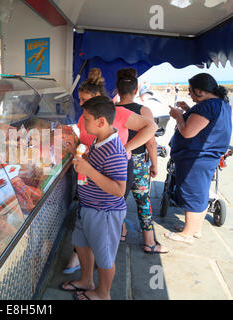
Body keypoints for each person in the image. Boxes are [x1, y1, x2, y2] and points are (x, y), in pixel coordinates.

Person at [61, 68, 157, 275]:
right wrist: (72, 142)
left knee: (107, 214)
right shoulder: (85, 117)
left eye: (84, 99)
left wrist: (126, 149)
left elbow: (151, 127)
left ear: (97, 98)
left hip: (114, 168)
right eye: (79, 99)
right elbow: (86, 143)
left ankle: (100, 260)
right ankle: (86, 256)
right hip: (90, 169)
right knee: (87, 215)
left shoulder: (119, 113)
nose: (81, 104)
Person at [67, 95, 128, 300]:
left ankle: (103, 293)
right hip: (89, 207)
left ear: (101, 122)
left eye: (86, 119)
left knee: (105, 256)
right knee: (82, 244)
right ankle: (86, 280)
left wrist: (89, 170)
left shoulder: (115, 150)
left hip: (105, 212)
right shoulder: (99, 140)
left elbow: (119, 189)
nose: (83, 122)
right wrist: (85, 159)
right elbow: (97, 167)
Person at [164, 73, 232, 244]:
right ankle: (195, 229)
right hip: (208, 157)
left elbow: (187, 132)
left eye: (191, 91)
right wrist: (188, 110)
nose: (189, 94)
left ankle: (186, 234)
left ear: (200, 91)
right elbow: (205, 124)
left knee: (192, 193)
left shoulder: (206, 106)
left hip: (196, 158)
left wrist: (178, 116)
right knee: (201, 192)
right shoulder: (222, 104)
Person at [115, 68, 169, 254]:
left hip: (116, 161)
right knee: (143, 201)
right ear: (136, 90)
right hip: (137, 162)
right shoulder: (143, 110)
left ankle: (120, 233)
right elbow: (151, 142)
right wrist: (154, 164)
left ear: (117, 89)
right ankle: (149, 241)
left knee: (117, 199)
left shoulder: (111, 111)